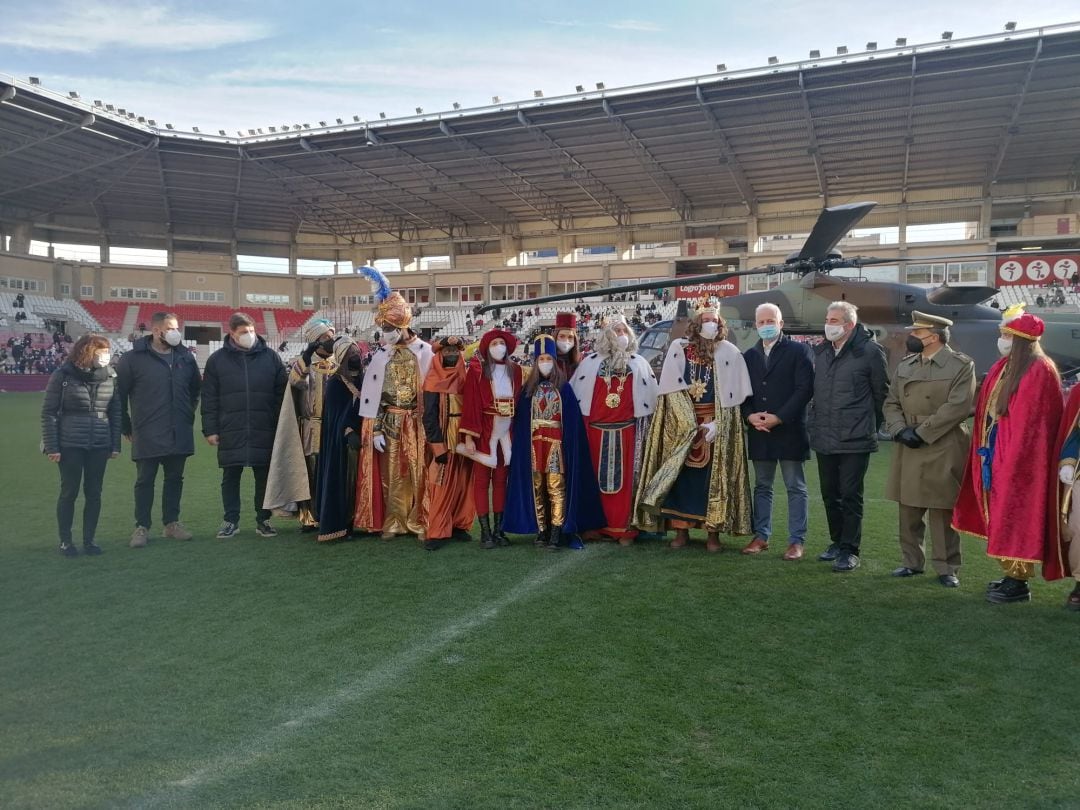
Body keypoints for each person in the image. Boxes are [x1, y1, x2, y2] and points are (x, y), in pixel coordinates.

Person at [953, 307, 1066, 603]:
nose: (1001, 340)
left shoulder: (1040, 370)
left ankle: (1018, 581)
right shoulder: (1003, 366)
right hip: (995, 455)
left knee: (1016, 517)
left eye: (1007, 335)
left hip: (1019, 463)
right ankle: (1010, 574)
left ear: (1020, 339)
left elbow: (1033, 427)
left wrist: (1014, 462)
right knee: (1000, 516)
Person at [636, 301, 753, 550]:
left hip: (714, 424)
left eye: (714, 320)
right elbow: (671, 387)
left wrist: (719, 425)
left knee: (712, 479)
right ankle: (681, 532)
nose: (710, 324)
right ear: (696, 324)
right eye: (705, 320)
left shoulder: (730, 352)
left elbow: (734, 398)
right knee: (682, 478)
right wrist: (687, 422)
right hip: (684, 422)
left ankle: (713, 534)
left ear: (720, 324)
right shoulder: (681, 348)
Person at [883, 312, 975, 588]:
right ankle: (912, 562)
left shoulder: (960, 365)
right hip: (908, 441)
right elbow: (891, 402)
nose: (911, 337)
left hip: (943, 443)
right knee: (908, 506)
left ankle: (947, 567)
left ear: (933, 336)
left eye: (917, 333)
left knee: (941, 507)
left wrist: (922, 433)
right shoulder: (906, 365)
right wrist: (900, 429)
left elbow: (957, 407)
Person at [807, 301, 888, 572]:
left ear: (849, 325)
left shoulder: (870, 352)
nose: (828, 324)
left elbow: (881, 394)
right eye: (828, 319)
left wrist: (869, 425)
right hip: (825, 435)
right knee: (830, 494)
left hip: (855, 437)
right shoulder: (821, 353)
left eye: (834, 320)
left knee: (851, 495)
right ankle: (837, 542)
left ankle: (850, 549)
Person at [504, 334, 604, 549]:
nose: (545, 363)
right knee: (537, 487)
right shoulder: (527, 391)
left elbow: (572, 425)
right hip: (534, 446)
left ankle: (557, 530)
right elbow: (520, 424)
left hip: (556, 446)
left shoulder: (565, 389)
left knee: (555, 487)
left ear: (554, 362)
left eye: (548, 359)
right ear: (535, 362)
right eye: (541, 360)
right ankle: (543, 530)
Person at [572, 311, 658, 545]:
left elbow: (651, 399)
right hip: (594, 432)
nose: (620, 335)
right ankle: (594, 527)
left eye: (623, 331)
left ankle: (623, 529)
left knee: (626, 484)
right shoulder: (589, 363)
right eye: (615, 331)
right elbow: (577, 398)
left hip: (628, 431)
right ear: (606, 336)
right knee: (592, 482)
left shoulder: (639, 363)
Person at [116, 311, 201, 548]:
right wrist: (125, 425)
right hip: (146, 430)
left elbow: (195, 390)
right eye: (170, 328)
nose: (176, 333)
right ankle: (141, 526)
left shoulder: (185, 357)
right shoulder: (132, 359)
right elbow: (119, 396)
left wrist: (187, 413)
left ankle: (171, 523)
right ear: (156, 330)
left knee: (175, 479)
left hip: (178, 430)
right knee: (145, 480)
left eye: (177, 328)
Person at [355, 292, 433, 540]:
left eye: (389, 327)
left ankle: (420, 520)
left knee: (419, 472)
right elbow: (374, 396)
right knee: (393, 474)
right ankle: (395, 522)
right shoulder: (381, 355)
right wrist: (376, 428)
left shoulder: (425, 352)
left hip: (419, 423)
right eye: (383, 327)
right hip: (391, 423)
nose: (385, 333)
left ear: (402, 325)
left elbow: (433, 393)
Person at [202, 313, 287, 539]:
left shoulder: (271, 357)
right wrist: (210, 429)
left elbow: (282, 395)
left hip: (264, 427)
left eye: (250, 331)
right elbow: (209, 398)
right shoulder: (217, 360)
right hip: (231, 427)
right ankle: (231, 521)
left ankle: (264, 520)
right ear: (232, 334)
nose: (248, 336)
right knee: (231, 476)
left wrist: (278, 424)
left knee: (264, 477)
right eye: (242, 333)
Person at [740, 303, 815, 560]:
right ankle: (761, 536)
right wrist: (750, 415)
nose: (765, 326)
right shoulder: (749, 355)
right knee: (762, 486)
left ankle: (796, 541)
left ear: (781, 323)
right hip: (760, 431)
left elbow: (804, 390)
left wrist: (779, 418)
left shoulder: (799, 351)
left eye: (770, 320)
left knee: (795, 486)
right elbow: (743, 392)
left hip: (790, 430)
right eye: (761, 322)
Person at [40, 335, 121, 556]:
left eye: (107, 351)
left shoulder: (110, 377)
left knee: (94, 492)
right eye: (101, 351)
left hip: (99, 443)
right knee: (69, 491)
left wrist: (115, 444)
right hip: (70, 443)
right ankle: (66, 541)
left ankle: (89, 540)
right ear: (87, 352)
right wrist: (52, 446)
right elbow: (49, 413)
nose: (105, 356)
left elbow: (115, 411)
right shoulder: (62, 376)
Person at [267, 319, 337, 530]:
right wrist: (306, 358)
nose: (330, 340)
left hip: (333, 426)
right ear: (315, 341)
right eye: (325, 336)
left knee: (333, 471)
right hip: (311, 427)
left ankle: (333, 514)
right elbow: (295, 382)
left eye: (331, 335)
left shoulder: (338, 362)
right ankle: (310, 516)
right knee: (312, 472)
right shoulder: (306, 363)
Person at [459, 329, 522, 548]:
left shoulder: (516, 371)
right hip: (484, 431)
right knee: (482, 482)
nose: (498, 346)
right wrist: (468, 437)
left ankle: (498, 530)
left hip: (508, 433)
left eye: (501, 343)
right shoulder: (477, 371)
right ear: (487, 347)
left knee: (501, 482)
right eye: (494, 343)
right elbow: (470, 405)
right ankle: (485, 532)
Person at [422, 336, 475, 550]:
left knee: (464, 483)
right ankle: (437, 532)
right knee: (441, 485)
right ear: (439, 355)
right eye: (447, 351)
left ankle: (460, 525)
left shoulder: (467, 377)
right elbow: (429, 416)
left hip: (465, 437)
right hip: (444, 439)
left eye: (455, 350)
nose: (452, 354)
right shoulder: (432, 380)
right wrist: (437, 446)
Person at [315, 336, 364, 542]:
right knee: (343, 481)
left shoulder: (363, 379)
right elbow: (334, 417)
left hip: (365, 440)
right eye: (350, 354)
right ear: (342, 357)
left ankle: (358, 521)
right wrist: (348, 430)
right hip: (342, 443)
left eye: (356, 353)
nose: (355, 357)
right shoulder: (335, 383)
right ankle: (340, 525)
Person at [553, 312, 581, 377]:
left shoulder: (581, 360)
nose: (566, 340)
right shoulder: (549, 360)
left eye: (570, 337)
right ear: (555, 337)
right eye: (562, 336)